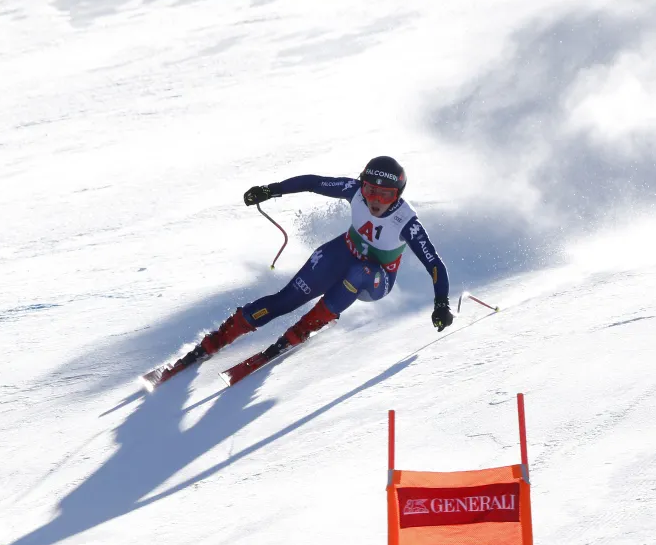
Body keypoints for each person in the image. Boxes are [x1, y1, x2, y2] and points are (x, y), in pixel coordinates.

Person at [157, 155, 453, 381]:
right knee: (285, 299)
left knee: (358, 272)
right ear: (362, 184)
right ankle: (218, 339)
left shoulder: (407, 221)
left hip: (376, 279)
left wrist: (441, 303)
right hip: (344, 253)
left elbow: (435, 264)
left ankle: (303, 329)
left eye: (385, 195)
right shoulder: (354, 191)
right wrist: (270, 190)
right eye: (370, 190)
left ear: (398, 196)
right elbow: (314, 182)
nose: (375, 201)